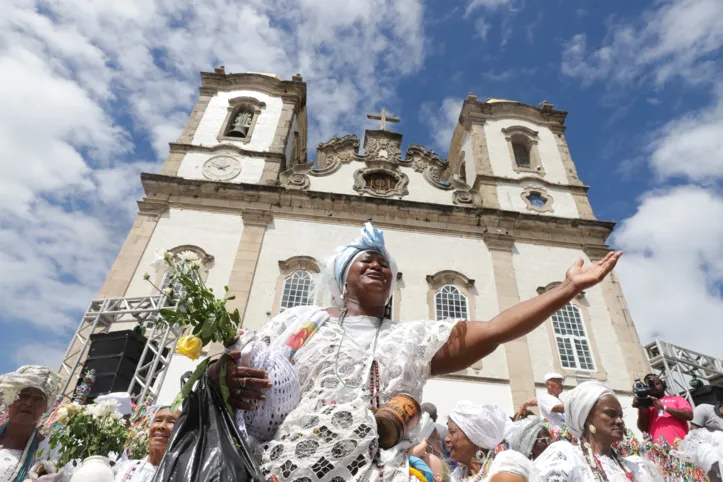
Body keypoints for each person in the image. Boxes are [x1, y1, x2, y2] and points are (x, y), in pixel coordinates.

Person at [209, 222, 622, 481]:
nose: (377, 266)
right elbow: (242, 369)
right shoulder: (299, 323)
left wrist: (569, 289)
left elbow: (496, 330)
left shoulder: (412, 339)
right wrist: (220, 377)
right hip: (286, 466)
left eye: (384, 263)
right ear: (341, 275)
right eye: (365, 260)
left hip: (380, 470)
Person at [535, 381, 663, 481]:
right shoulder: (567, 457)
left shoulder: (634, 466)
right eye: (611, 414)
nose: (620, 421)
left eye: (620, 415)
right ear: (587, 419)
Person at [0, 365, 62, 482]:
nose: (29, 403)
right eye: (24, 396)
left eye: (39, 399)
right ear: (10, 400)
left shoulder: (51, 451)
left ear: (46, 408)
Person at [445, 401, 535, 482]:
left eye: (452, 432)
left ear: (473, 437)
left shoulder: (505, 464)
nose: (446, 439)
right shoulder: (456, 476)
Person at [114, 406, 180, 482]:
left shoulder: (180, 476)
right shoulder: (126, 468)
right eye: (158, 420)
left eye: (171, 422)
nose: (161, 426)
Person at [635, 374, 693, 444]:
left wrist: (663, 407)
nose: (654, 387)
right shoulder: (647, 405)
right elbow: (643, 429)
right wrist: (641, 406)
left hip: (681, 445)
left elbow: (689, 415)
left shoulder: (677, 399)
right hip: (659, 450)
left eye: (657, 384)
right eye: (650, 385)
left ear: (663, 384)